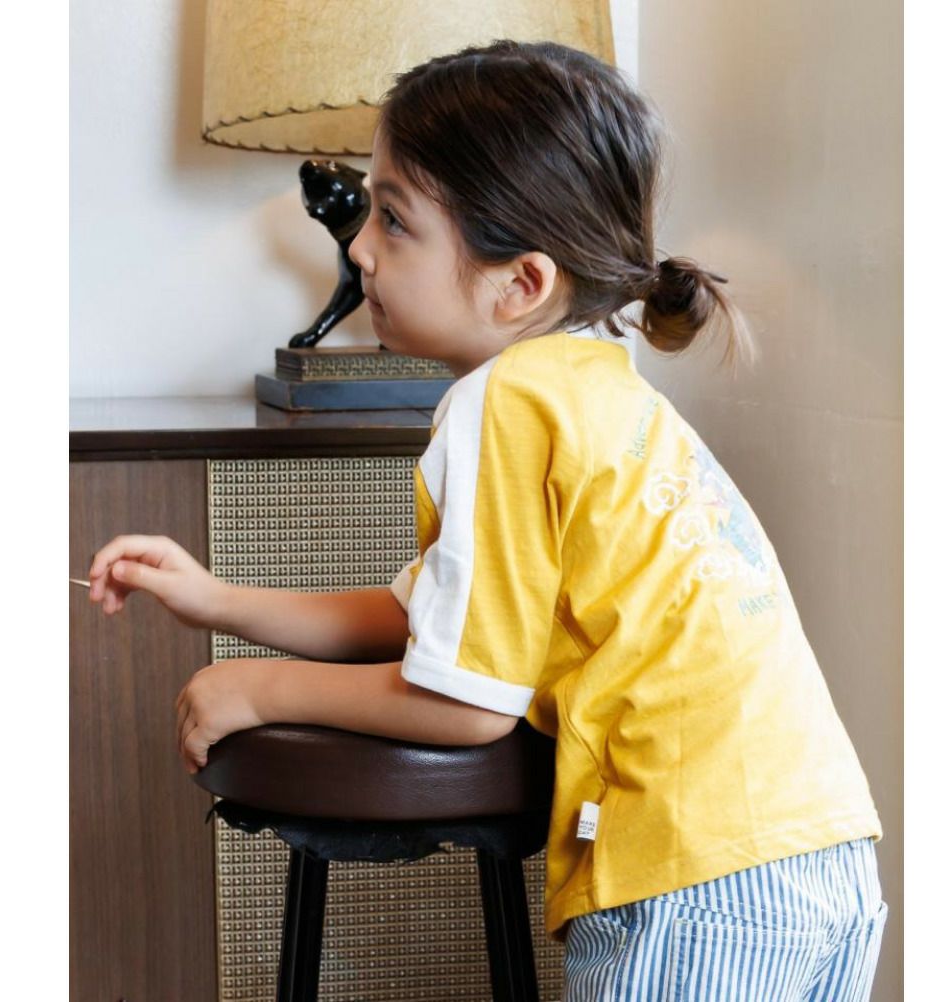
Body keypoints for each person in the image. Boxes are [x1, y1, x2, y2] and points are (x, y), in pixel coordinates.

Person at [89, 40, 886, 1001]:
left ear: (520, 285)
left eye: (394, 220)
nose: (359, 248)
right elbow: (425, 617)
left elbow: (467, 704)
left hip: (695, 876)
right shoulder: (590, 387)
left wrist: (258, 689)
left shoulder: (499, 404)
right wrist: (216, 598)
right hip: (820, 847)